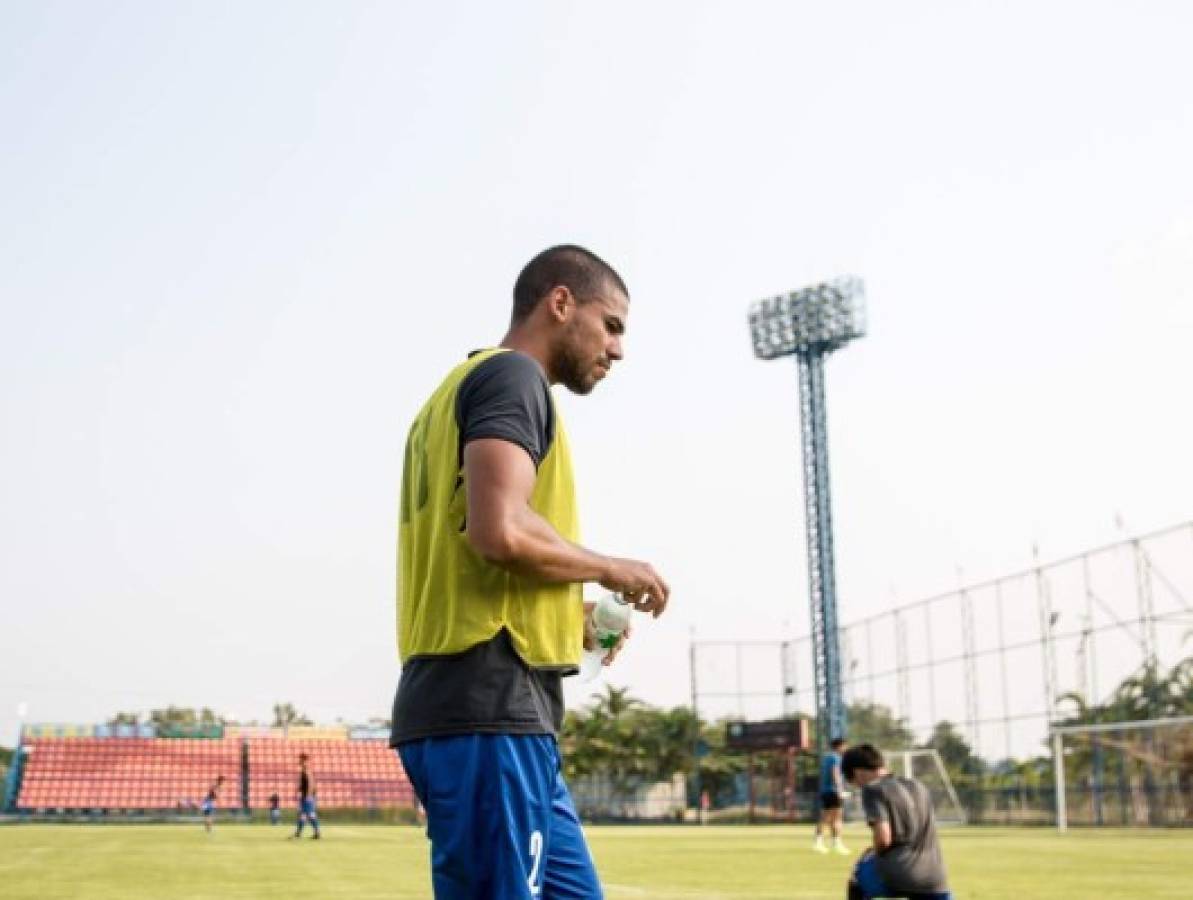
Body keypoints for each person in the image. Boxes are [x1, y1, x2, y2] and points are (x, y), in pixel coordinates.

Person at [390, 244, 670, 899]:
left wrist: (567, 613)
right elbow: (500, 530)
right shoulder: (512, 377)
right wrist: (610, 568)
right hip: (486, 706)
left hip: (498, 707)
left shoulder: (457, 392)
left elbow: (479, 537)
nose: (618, 349)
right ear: (560, 303)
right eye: (611, 325)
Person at [841, 744, 952, 900]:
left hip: (898, 874)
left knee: (857, 878)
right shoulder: (919, 786)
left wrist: (873, 851)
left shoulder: (873, 789)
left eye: (853, 782)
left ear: (857, 773)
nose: (858, 787)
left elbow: (884, 839)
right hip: (935, 877)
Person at [814, 737, 849, 854]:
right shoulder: (835, 758)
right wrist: (840, 790)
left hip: (826, 791)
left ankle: (826, 842)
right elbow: (835, 773)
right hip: (833, 791)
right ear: (840, 746)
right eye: (845, 746)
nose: (846, 749)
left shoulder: (827, 758)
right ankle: (833, 843)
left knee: (828, 818)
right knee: (835, 818)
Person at [292, 753, 321, 839]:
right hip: (305, 796)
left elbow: (311, 783)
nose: (299, 761)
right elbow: (304, 784)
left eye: (301, 759)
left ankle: (316, 832)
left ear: (305, 760)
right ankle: (299, 833)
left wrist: (308, 795)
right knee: (303, 815)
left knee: (310, 814)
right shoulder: (304, 770)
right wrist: (298, 790)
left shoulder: (307, 770)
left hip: (308, 796)